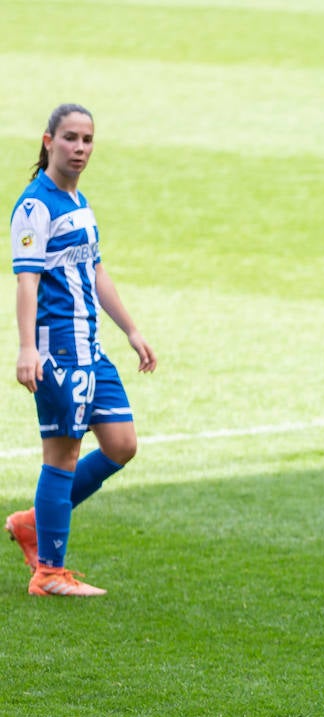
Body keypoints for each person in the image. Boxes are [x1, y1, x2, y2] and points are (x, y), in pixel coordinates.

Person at [7, 103, 156, 596]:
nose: (80, 148)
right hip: (57, 353)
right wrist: (27, 348)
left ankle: (33, 524)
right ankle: (49, 572)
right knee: (63, 454)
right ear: (48, 141)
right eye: (70, 138)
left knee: (121, 444)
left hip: (91, 349)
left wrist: (131, 330)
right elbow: (26, 280)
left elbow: (94, 271)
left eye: (87, 140)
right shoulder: (35, 206)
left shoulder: (79, 202)